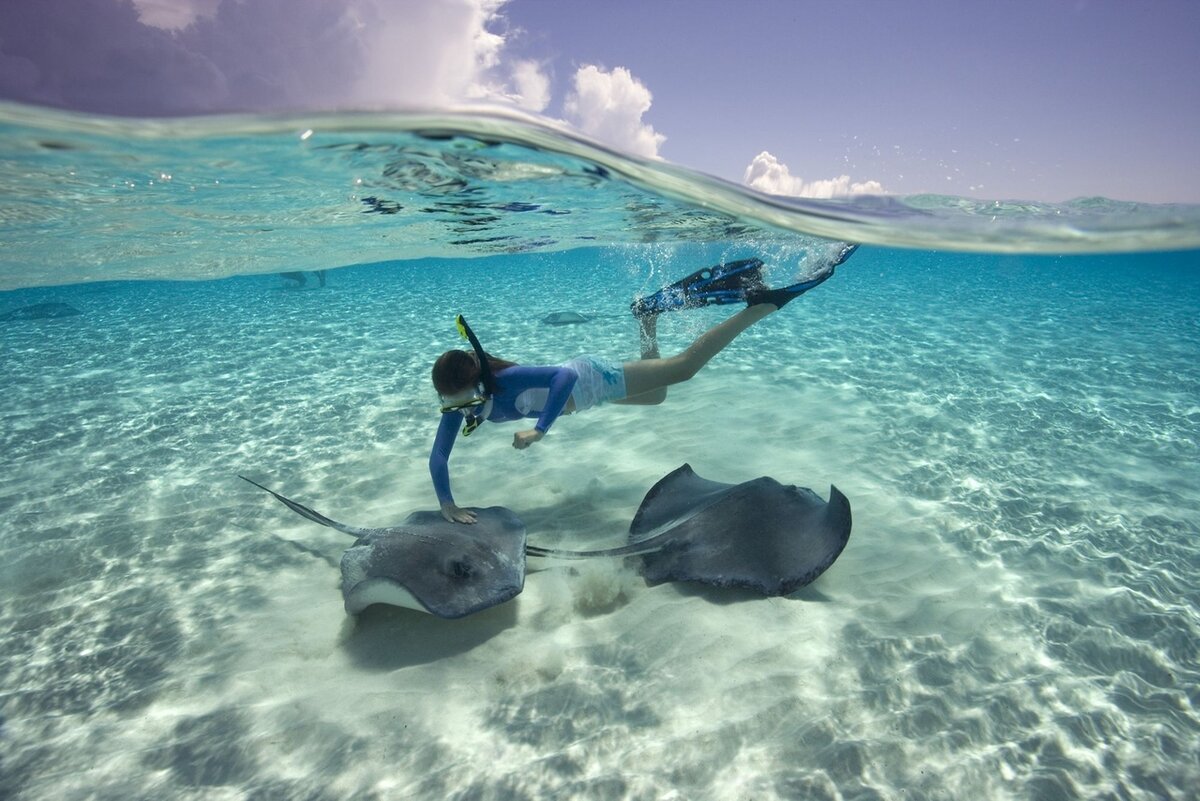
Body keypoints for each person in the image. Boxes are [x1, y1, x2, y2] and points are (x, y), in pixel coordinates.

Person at [429, 248, 856, 523]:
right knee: (657, 396)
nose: (450, 406)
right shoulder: (463, 406)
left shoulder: (505, 380)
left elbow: (565, 377)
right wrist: (447, 503)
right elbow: (439, 456)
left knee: (684, 367)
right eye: (447, 400)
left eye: (453, 396)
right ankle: (647, 317)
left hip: (590, 378)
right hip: (588, 399)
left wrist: (540, 429)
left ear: (473, 382)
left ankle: (760, 306)